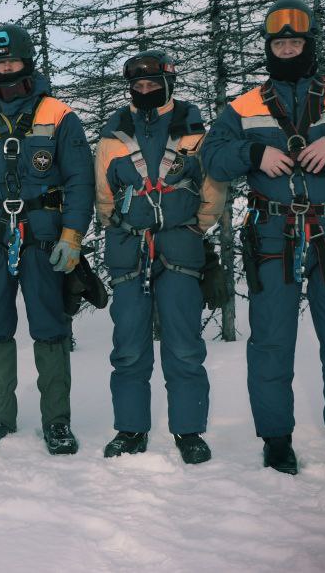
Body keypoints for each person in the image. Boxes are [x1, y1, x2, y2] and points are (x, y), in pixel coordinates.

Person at [201, 0, 325, 474]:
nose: (288, 48)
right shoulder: (245, 105)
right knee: (272, 339)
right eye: (279, 42)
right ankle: (276, 439)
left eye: (296, 41)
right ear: (269, 47)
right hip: (271, 232)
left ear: (310, 45)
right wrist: (253, 153)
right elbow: (212, 156)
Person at [0, 23, 95, 454]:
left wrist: (73, 234)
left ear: (27, 61)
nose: (4, 68)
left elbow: (80, 181)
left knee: (49, 328)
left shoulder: (60, 116)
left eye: (11, 61)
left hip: (44, 236)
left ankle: (57, 422)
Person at [94, 50, 226, 463]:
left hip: (179, 247)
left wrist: (195, 228)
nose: (145, 90)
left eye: (153, 84)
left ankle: (189, 431)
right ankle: (131, 429)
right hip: (129, 249)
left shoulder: (193, 128)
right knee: (129, 345)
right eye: (139, 85)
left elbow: (213, 187)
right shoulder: (114, 134)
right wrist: (119, 226)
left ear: (168, 84)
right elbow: (103, 194)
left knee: (184, 343)